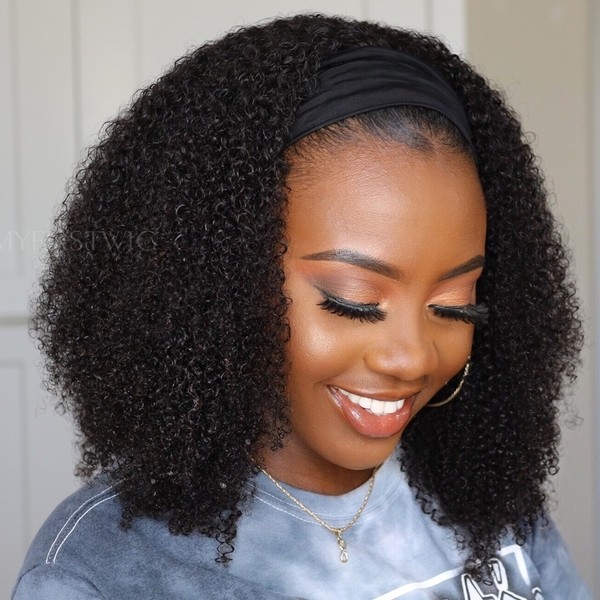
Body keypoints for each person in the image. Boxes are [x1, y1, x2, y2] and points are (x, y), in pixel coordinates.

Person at [12, 13, 591, 600]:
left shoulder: (484, 496)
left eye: (453, 307)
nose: (411, 357)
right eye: (355, 302)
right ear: (218, 284)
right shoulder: (102, 570)